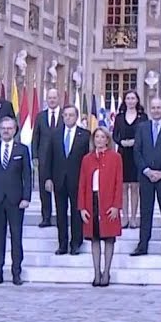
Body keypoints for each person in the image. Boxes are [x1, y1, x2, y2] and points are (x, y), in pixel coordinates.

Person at [0, 116, 31, 286]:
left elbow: (27, 176)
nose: (6, 131)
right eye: (3, 128)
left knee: (16, 237)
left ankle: (16, 272)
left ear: (15, 130)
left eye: (9, 128)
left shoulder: (22, 150)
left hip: (15, 200)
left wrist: (26, 197)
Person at [132, 96, 161, 257]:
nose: (156, 110)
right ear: (149, 109)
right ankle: (143, 244)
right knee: (146, 211)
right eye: (153, 108)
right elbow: (137, 151)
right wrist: (147, 170)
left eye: (158, 107)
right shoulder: (142, 127)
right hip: (146, 177)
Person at [79, 127, 124, 287]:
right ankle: (96, 272)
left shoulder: (116, 157)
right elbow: (82, 183)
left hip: (109, 202)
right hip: (92, 201)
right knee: (95, 238)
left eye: (102, 137)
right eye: (96, 137)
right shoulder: (87, 159)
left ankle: (107, 272)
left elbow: (119, 183)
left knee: (109, 238)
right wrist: (82, 207)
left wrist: (116, 206)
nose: (99, 140)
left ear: (107, 139)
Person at [42, 105, 89, 255]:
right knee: (61, 213)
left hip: (78, 181)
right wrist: (48, 178)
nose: (68, 118)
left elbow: (88, 160)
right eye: (66, 115)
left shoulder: (85, 135)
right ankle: (62, 244)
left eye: (71, 115)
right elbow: (48, 158)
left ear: (76, 117)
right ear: (62, 117)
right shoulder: (55, 135)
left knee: (77, 212)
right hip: (59, 180)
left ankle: (76, 243)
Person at [111, 90, 145, 229]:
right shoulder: (119, 117)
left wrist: (135, 142)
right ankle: (124, 217)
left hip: (137, 154)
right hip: (123, 154)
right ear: (125, 101)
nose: (130, 101)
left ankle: (133, 218)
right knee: (123, 187)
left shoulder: (143, 117)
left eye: (133, 98)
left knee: (135, 187)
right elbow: (114, 135)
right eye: (128, 98)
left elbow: (145, 134)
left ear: (137, 101)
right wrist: (121, 142)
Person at [31, 89, 63, 227]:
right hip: (43, 159)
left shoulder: (66, 115)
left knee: (60, 188)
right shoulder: (40, 116)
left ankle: (61, 215)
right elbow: (35, 137)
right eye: (49, 98)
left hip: (61, 158)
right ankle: (46, 217)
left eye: (54, 98)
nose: (52, 100)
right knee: (44, 189)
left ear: (58, 98)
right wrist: (35, 156)